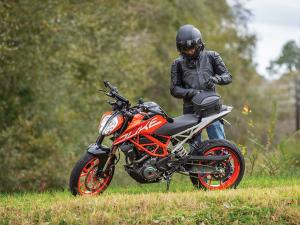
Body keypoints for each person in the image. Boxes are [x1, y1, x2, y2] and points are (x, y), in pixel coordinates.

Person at [170, 24, 232, 146]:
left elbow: (228, 76)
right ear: (180, 48)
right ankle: (196, 165)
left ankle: (223, 163)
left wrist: (216, 79)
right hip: (190, 110)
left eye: (192, 48)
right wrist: (191, 92)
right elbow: (174, 89)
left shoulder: (212, 56)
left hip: (211, 107)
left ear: (199, 44)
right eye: (185, 49)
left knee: (220, 144)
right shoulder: (177, 64)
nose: (189, 51)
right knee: (194, 148)